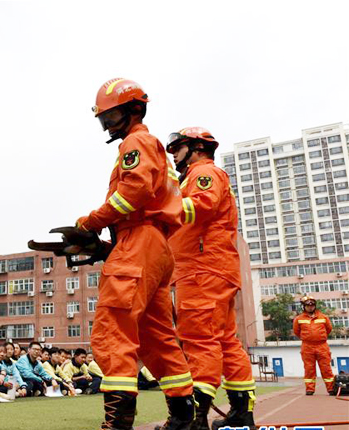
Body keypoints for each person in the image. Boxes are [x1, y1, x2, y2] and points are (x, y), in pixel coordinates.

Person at [76, 78, 194, 430]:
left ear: (134, 111)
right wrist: (106, 243)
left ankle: (118, 424)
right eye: (104, 120)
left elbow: (134, 192)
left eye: (111, 117)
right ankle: (182, 419)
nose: (108, 126)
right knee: (158, 339)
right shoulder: (151, 146)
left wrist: (91, 222)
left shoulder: (136, 141)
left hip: (138, 241)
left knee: (113, 331)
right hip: (156, 246)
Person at [166, 127, 257, 430]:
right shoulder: (201, 176)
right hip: (215, 269)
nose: (173, 155)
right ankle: (242, 413)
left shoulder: (203, 172)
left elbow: (201, 206)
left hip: (202, 269)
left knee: (199, 339)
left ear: (196, 148)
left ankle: (197, 418)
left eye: (177, 148)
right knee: (226, 341)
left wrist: (161, 208)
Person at [294, 295, 335, 396]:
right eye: (308, 306)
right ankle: (310, 389)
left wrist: (319, 337)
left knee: (326, 368)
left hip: (322, 346)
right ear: (304, 307)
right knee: (309, 369)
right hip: (307, 346)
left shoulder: (323, 317)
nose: (310, 307)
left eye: (312, 305)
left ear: (315, 306)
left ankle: (331, 389)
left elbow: (329, 329)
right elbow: (297, 332)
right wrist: (308, 338)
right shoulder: (299, 319)